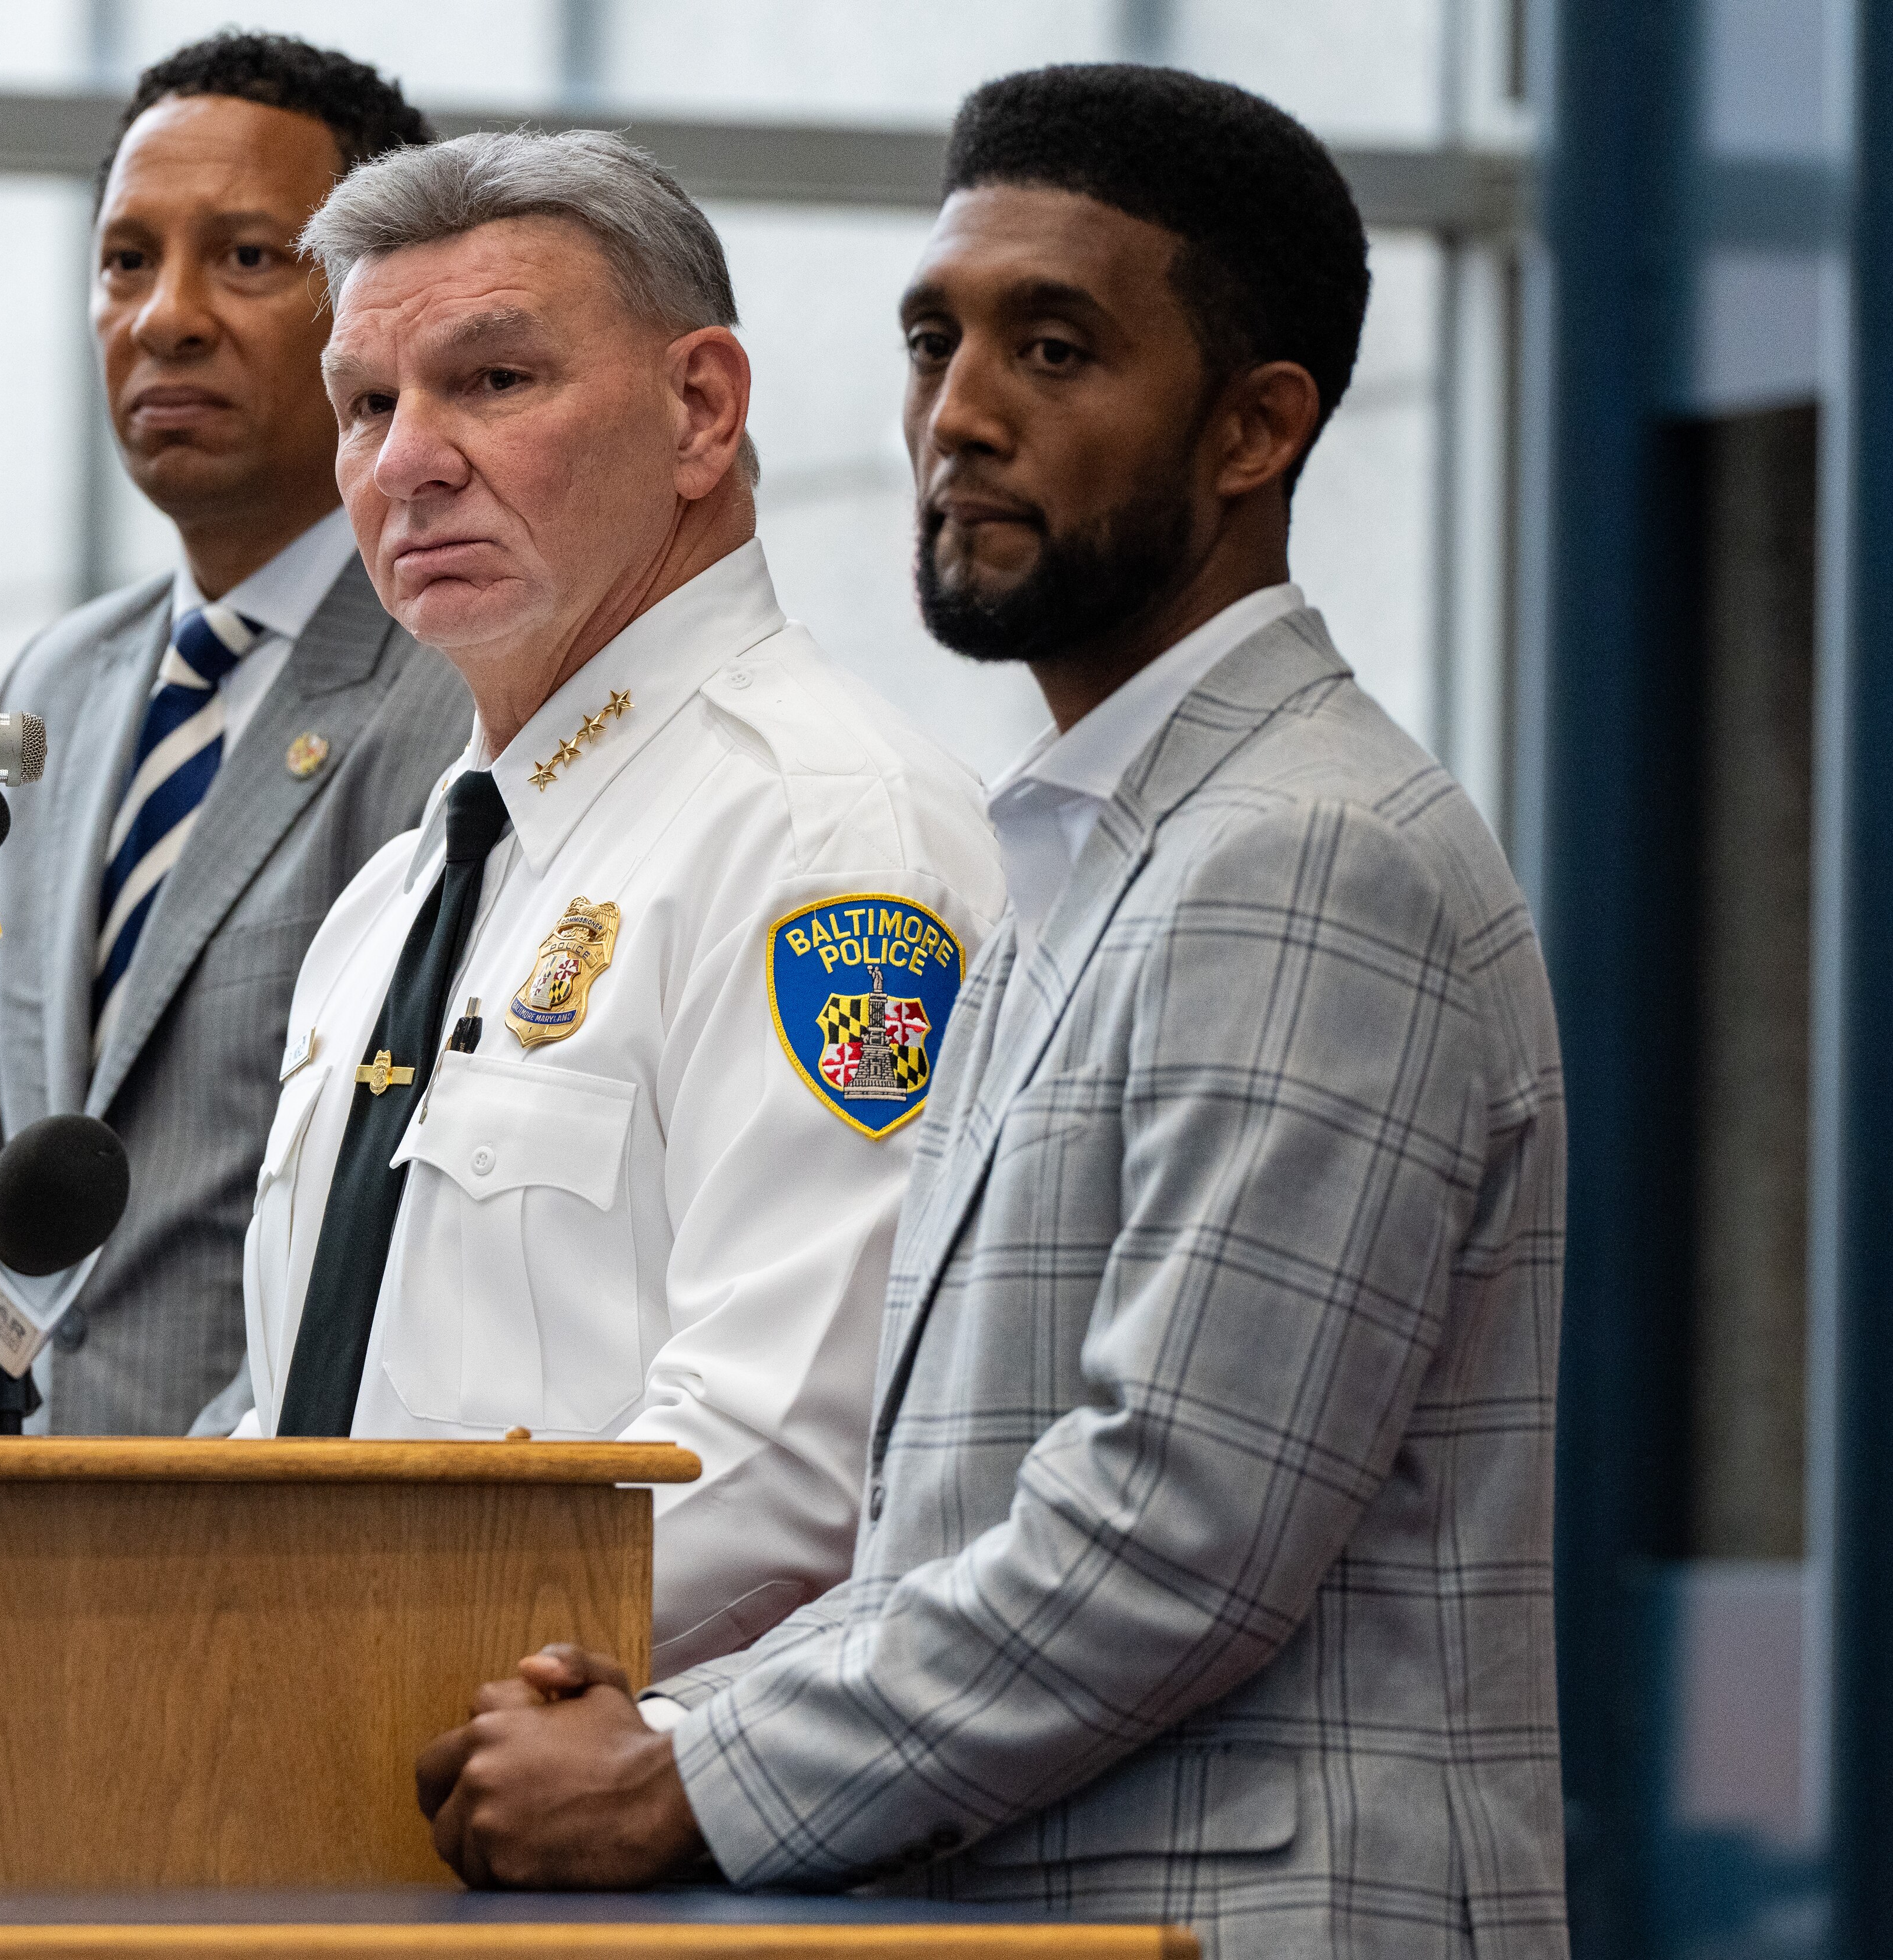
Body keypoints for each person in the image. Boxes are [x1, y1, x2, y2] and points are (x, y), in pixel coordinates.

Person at [410, 66, 1568, 1960]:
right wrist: (669, 1719)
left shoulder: (1307, 851)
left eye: (1055, 348)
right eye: (933, 341)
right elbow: (948, 1531)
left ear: (1255, 427)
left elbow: (1167, 1529)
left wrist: (678, 1779)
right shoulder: (1091, 844)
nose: (959, 415)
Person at [230, 130, 1005, 1678]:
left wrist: (342, 1667)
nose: (407, 462)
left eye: (495, 382)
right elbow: (306, 1413)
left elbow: (784, 1463)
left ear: (699, 408)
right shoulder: (398, 896)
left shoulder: (822, 842)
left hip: (634, 1836)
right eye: (368, 405)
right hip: (331, 1798)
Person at [0, 35, 470, 1435]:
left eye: (247, 258)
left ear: (377, 315)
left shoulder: (453, 691)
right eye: (123, 261)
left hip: (246, 1552)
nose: (165, 318)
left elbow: (404, 1230)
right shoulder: (56, 684)